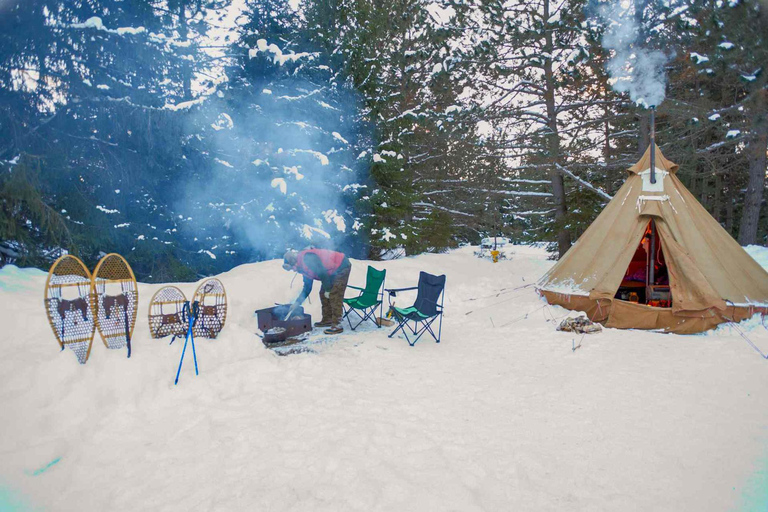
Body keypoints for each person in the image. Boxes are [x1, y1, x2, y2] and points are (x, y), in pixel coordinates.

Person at [283, 248, 351, 334]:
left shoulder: (307, 259)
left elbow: (322, 273)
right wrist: (297, 302)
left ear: (294, 261)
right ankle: (328, 319)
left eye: (292, 267)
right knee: (323, 293)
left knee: (334, 294)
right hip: (330, 271)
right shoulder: (302, 267)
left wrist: (328, 290)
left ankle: (337, 325)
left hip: (341, 265)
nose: (293, 270)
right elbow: (307, 288)